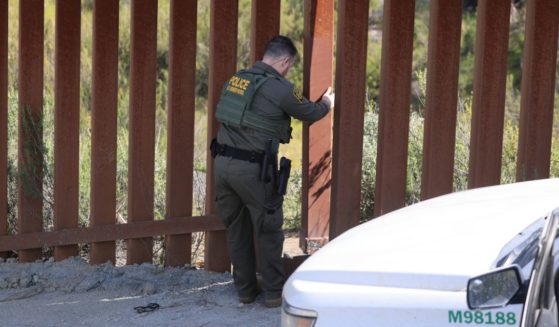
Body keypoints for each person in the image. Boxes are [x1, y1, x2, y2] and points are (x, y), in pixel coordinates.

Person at [211, 35, 335, 308]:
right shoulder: (279, 88)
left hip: (221, 166)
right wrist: (327, 102)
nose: (288, 70)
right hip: (255, 170)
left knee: (236, 229)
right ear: (285, 61)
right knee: (268, 231)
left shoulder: (236, 80)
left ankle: (244, 291)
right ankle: (273, 295)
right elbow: (310, 112)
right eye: (289, 66)